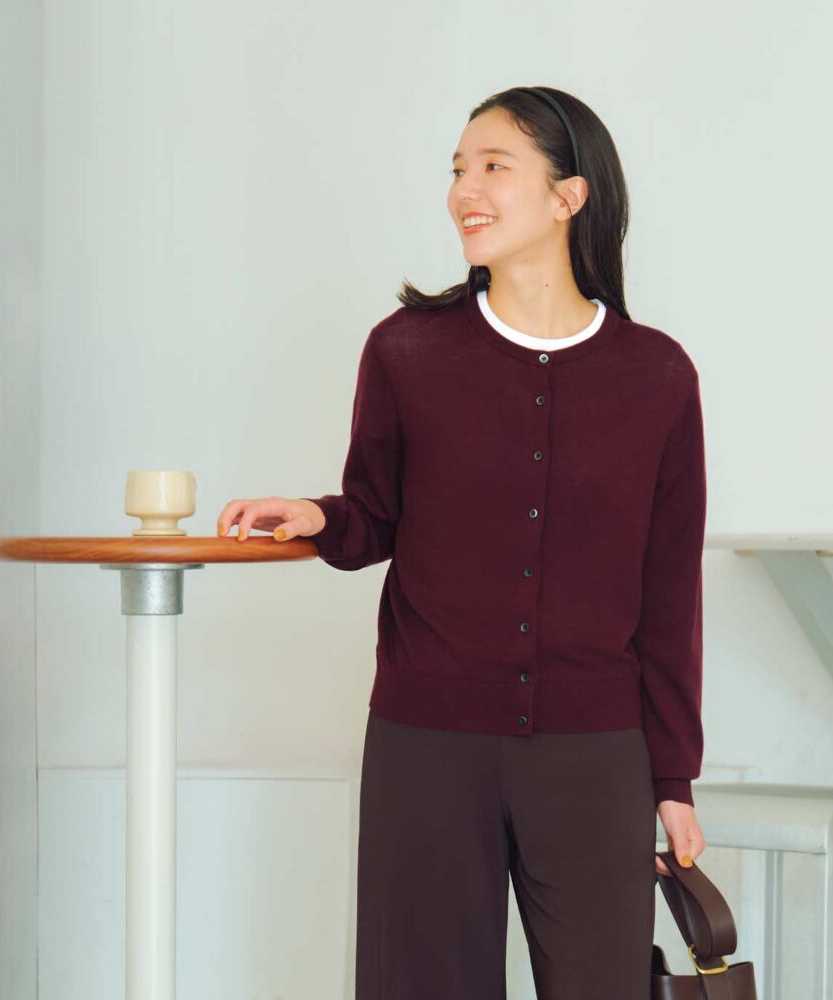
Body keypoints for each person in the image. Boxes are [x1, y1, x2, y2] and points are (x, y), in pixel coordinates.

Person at [216, 84, 708, 999]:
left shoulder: (658, 376)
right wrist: (321, 516)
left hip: (595, 751)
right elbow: (375, 515)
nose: (463, 191)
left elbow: (669, 594)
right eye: (456, 169)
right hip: (428, 745)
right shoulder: (406, 351)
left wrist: (672, 772)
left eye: (493, 167)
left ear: (570, 197)